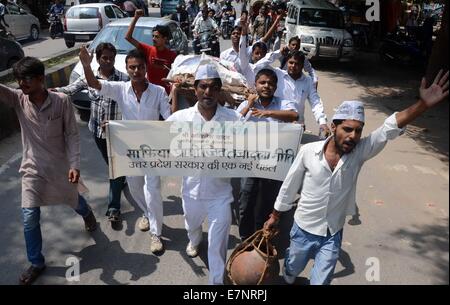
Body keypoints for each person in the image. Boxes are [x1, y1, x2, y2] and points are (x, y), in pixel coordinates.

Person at [264, 70, 449, 285]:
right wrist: (275, 216)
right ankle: (289, 276)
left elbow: (388, 128)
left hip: (332, 233)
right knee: (291, 270)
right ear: (334, 127)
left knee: (321, 281)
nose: (353, 136)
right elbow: (289, 186)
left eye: (358, 131)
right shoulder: (308, 152)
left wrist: (423, 105)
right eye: (348, 129)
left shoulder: (360, 151)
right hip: (303, 228)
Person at [0, 57, 97, 285]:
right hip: (32, 169)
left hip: (61, 168)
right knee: (29, 217)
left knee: (74, 200)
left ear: (41, 79)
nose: (21, 83)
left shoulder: (61, 101)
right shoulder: (18, 99)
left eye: (26, 78)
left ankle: (87, 213)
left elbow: (72, 135)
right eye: (18, 79)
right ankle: (36, 262)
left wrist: (74, 165)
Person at [79, 46, 173, 254]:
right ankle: (148, 214)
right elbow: (94, 83)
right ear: (127, 69)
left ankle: (156, 234)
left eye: (140, 67)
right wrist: (87, 65)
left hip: (153, 150)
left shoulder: (158, 92)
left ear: (145, 68)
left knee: (153, 191)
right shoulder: (120, 89)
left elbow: (169, 119)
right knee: (135, 187)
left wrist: (174, 99)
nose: (136, 71)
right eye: (132, 68)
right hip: (129, 151)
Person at [166, 64, 243, 285]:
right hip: (191, 192)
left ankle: (216, 283)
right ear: (195, 89)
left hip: (220, 195)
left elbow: (257, 142)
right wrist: (118, 130)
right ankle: (194, 238)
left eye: (213, 87)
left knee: (217, 245)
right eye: (203, 87)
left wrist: (289, 134)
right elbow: (154, 136)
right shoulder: (181, 118)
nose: (208, 92)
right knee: (192, 226)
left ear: (219, 91)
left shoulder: (234, 119)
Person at [52, 43, 128, 229]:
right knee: (111, 165)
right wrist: (51, 92)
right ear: (98, 59)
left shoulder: (123, 80)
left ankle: (113, 209)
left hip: (118, 133)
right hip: (97, 132)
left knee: (115, 169)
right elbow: (69, 89)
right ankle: (122, 179)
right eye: (104, 58)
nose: (108, 61)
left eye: (111, 57)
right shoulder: (89, 78)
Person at [236, 68, 298, 241]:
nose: (266, 86)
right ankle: (245, 238)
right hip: (249, 161)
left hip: (272, 163)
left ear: (276, 86)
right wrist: (249, 105)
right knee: (246, 200)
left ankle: (261, 238)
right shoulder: (247, 104)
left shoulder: (282, 103)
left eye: (271, 83)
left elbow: (294, 115)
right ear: (255, 85)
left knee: (266, 202)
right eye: (262, 82)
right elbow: (233, 124)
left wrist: (268, 113)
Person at [261, 50, 330, 136]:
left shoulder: (308, 81)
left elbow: (315, 102)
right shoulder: (278, 74)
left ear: (302, 65)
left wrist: (322, 121)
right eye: (291, 62)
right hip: (275, 123)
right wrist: (278, 53)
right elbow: (258, 66)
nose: (293, 66)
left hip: (296, 126)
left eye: (297, 64)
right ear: (287, 62)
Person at [125, 9, 177, 94]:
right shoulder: (148, 50)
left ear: (165, 39)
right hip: (149, 92)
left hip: (165, 94)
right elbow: (128, 37)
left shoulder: (172, 55)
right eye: (153, 36)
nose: (153, 39)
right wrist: (136, 17)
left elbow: (176, 76)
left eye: (157, 37)